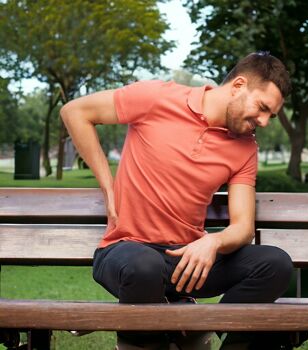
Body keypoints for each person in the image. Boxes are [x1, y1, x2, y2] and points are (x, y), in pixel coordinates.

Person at [60, 52, 294, 350]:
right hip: (127, 251)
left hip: (186, 263)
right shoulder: (156, 97)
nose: (263, 121)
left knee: (275, 264)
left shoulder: (245, 147)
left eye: (270, 115)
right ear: (238, 86)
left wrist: (212, 243)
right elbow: (75, 112)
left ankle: (205, 328)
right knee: (143, 267)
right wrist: (108, 187)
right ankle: (160, 334)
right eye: (262, 108)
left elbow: (243, 228)